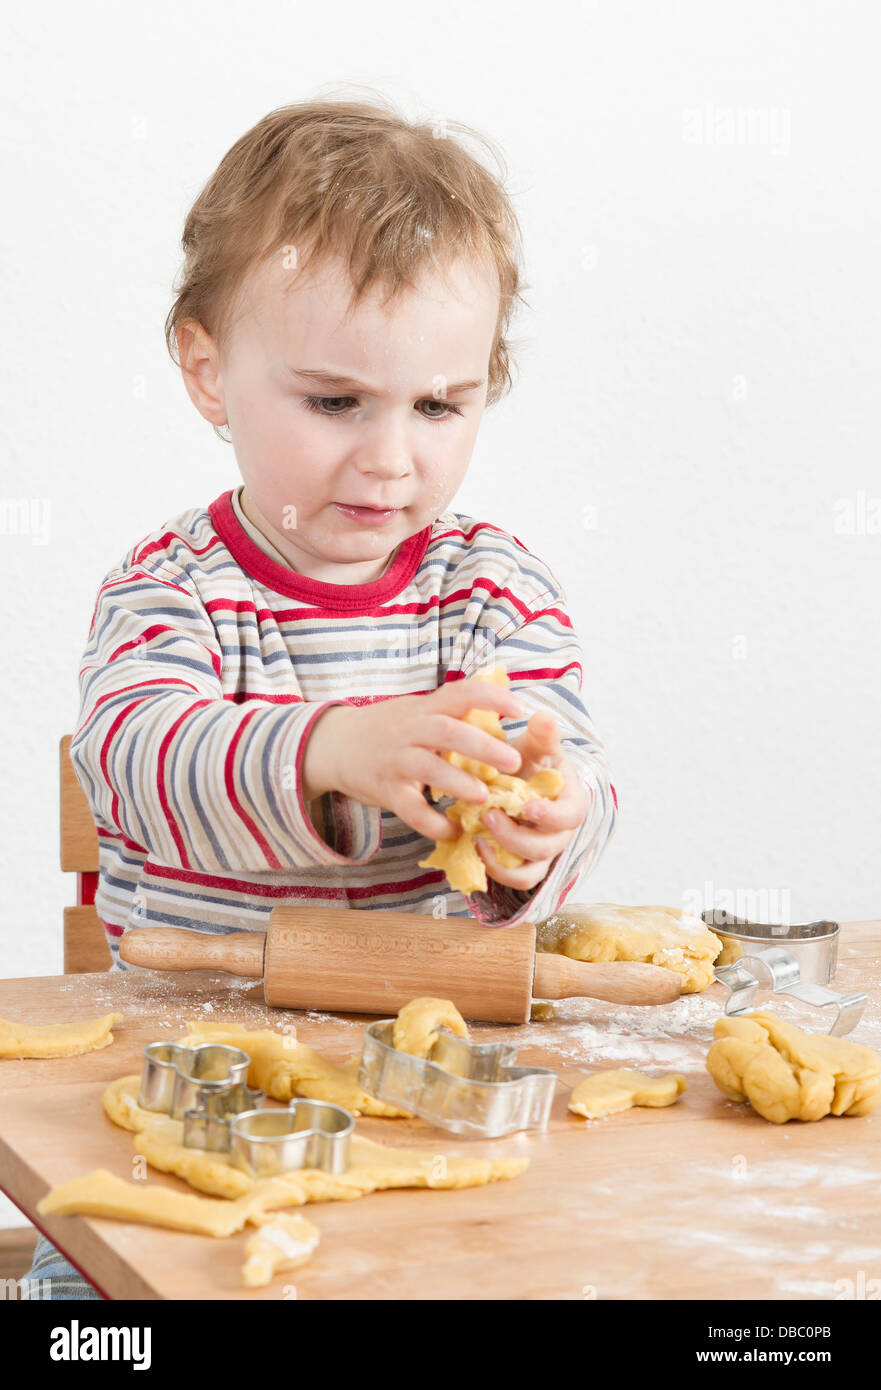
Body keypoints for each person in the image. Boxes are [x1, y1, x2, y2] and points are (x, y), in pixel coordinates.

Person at [22, 94, 617, 1298]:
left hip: (426, 1087)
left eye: (439, 405)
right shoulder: (167, 590)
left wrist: (543, 829)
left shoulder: (493, 589)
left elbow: (576, 768)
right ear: (206, 369)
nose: (392, 456)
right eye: (336, 402)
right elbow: (138, 760)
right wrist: (336, 750)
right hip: (177, 1092)